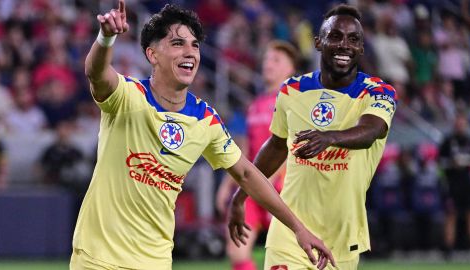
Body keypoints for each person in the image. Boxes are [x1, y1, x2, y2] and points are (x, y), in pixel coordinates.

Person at [70, 1, 335, 270]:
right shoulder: (128, 97)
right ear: (152, 55)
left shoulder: (205, 119)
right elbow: (97, 73)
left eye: (195, 45)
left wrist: (298, 228)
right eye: (177, 43)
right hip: (98, 258)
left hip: (154, 261)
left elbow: (246, 174)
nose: (190, 52)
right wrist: (106, 37)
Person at [228, 4, 397, 270]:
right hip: (290, 232)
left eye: (353, 39)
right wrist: (240, 196)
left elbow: (373, 130)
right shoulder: (292, 90)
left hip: (342, 237)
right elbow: (276, 147)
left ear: (361, 48)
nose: (344, 45)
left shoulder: (377, 92)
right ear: (319, 42)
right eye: (336, 36)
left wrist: (329, 138)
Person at [216, 40, 299, 270]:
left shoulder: (296, 102)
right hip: (254, 188)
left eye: (276, 60)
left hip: (284, 190)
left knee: (286, 258)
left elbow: (294, 147)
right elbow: (243, 151)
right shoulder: (255, 105)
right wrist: (226, 186)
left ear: (291, 68)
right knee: (237, 252)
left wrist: (273, 178)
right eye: (266, 60)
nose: (268, 64)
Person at [439, 113, 470, 257]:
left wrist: (467, 162)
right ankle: (448, 249)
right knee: (451, 215)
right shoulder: (448, 142)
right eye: (458, 123)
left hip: (467, 184)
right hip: (452, 184)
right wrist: (451, 164)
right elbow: (440, 163)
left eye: (462, 123)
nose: (460, 126)